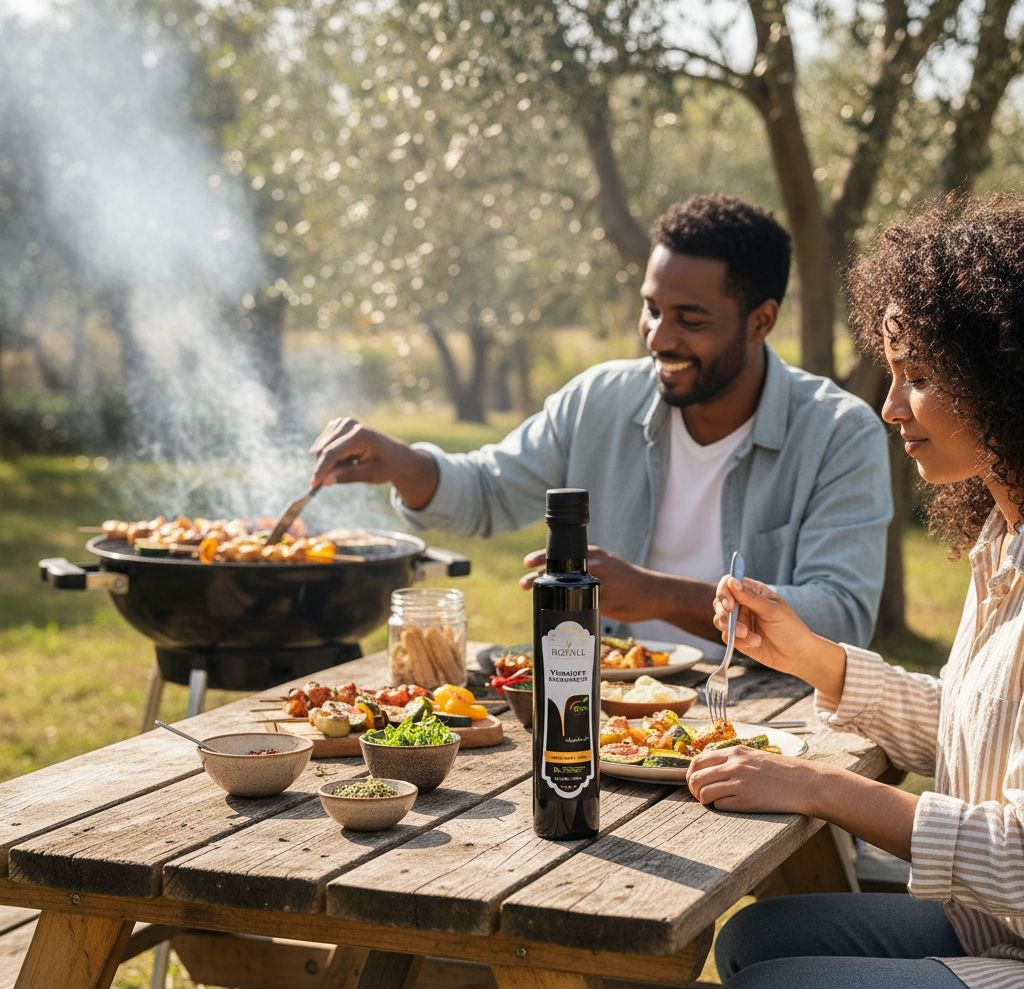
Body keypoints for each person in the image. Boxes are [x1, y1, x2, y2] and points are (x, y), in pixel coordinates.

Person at [695, 194, 1024, 989]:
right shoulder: (1004, 543)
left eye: (919, 376)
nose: (890, 407)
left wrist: (817, 787)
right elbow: (974, 724)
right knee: (752, 941)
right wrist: (813, 657)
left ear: (1005, 377)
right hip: (998, 933)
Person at [311, 193, 892, 655]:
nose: (659, 337)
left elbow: (841, 618)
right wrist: (404, 464)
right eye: (652, 308)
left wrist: (655, 595)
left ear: (760, 321)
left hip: (768, 725)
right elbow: (489, 492)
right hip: (610, 708)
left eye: (689, 319)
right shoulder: (598, 400)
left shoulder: (839, 435)